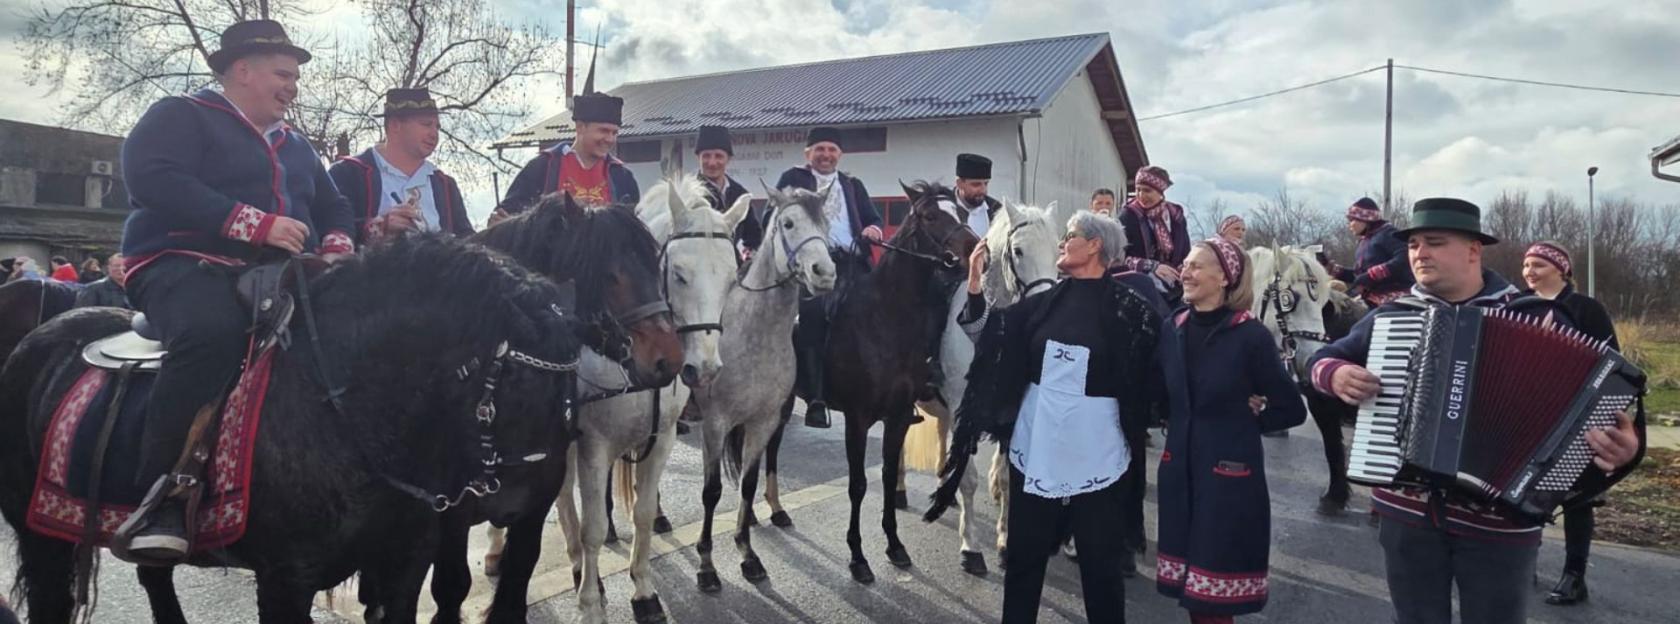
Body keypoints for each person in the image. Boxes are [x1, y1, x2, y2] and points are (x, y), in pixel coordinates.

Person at [1307, 198, 1644, 624]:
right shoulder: (1394, 317)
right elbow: (1319, 361)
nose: (1419, 253)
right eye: (1413, 245)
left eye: (1434, 242)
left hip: (1502, 524)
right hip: (1406, 514)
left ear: (1472, 251)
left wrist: (1623, 450)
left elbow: (1599, 409)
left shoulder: (1539, 318)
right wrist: (1335, 374)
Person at [113, 19, 354, 564]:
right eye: (283, 74)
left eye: (295, 76)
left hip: (278, 273)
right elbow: (151, 176)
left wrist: (338, 242)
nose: (293, 85)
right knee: (212, 332)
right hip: (177, 261)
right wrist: (253, 224)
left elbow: (334, 205)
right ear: (241, 70)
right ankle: (162, 496)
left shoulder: (297, 145)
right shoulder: (182, 114)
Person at [969, 210, 1158, 624]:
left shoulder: (1132, 310)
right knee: (1023, 560)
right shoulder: (1042, 304)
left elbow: (1161, 369)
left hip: (1099, 457)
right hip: (1036, 451)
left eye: (1070, 236)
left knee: (1101, 568)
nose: (1062, 242)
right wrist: (974, 284)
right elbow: (987, 336)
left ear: (1094, 246)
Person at [1156, 237, 1305, 623]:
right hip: (1179, 472)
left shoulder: (1250, 336)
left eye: (1196, 265)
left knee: (1213, 599)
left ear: (1224, 277)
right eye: (1185, 264)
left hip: (1228, 479)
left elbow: (1292, 408)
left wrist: (1249, 419)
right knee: (1192, 595)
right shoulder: (1172, 327)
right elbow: (1160, 395)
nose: (1185, 271)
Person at [1518, 241, 1619, 606]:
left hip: (1576, 416)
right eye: (1526, 264)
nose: (1529, 271)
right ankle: (1521, 560)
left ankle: (1574, 576)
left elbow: (1613, 364)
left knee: (1576, 498)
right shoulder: (1517, 306)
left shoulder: (1586, 309)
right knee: (1521, 491)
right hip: (1527, 413)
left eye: (1539, 265)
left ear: (1561, 270)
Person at [773, 126, 883, 428]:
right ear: (808, 154)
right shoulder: (793, 179)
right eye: (819, 149)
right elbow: (776, 217)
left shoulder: (852, 184)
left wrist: (873, 228)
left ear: (840, 154)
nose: (826, 155)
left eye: (832, 150)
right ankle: (817, 399)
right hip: (813, 265)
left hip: (853, 263)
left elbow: (873, 218)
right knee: (813, 316)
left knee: (885, 310)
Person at [329, 88, 473, 247]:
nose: (434, 134)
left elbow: (467, 242)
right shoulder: (349, 173)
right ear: (395, 125)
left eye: (437, 127)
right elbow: (329, 228)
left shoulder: (445, 185)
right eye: (426, 124)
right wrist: (380, 227)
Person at [492, 63, 637, 219]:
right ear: (580, 127)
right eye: (603, 131)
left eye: (614, 133)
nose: (609, 139)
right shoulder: (543, 166)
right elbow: (508, 216)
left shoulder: (621, 177)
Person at [1117, 166, 1190, 301]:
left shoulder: (1175, 216)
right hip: (1139, 285)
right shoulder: (1128, 216)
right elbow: (1118, 257)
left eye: (1147, 191)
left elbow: (1186, 252)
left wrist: (1180, 270)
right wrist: (1151, 267)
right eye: (1138, 190)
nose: (1141, 196)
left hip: (1175, 283)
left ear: (1160, 191)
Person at [1328, 197, 1413, 308]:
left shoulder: (1388, 233)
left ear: (1365, 219)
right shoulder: (1364, 243)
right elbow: (1360, 277)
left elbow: (1405, 258)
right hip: (1369, 298)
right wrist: (1334, 270)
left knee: (1361, 324)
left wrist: (1374, 274)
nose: (1349, 225)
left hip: (1394, 297)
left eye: (1352, 220)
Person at [692, 125, 758, 257]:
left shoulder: (740, 194)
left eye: (718, 156)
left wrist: (750, 251)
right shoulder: (690, 194)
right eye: (706, 156)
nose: (712, 162)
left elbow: (754, 235)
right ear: (697, 158)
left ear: (728, 159)